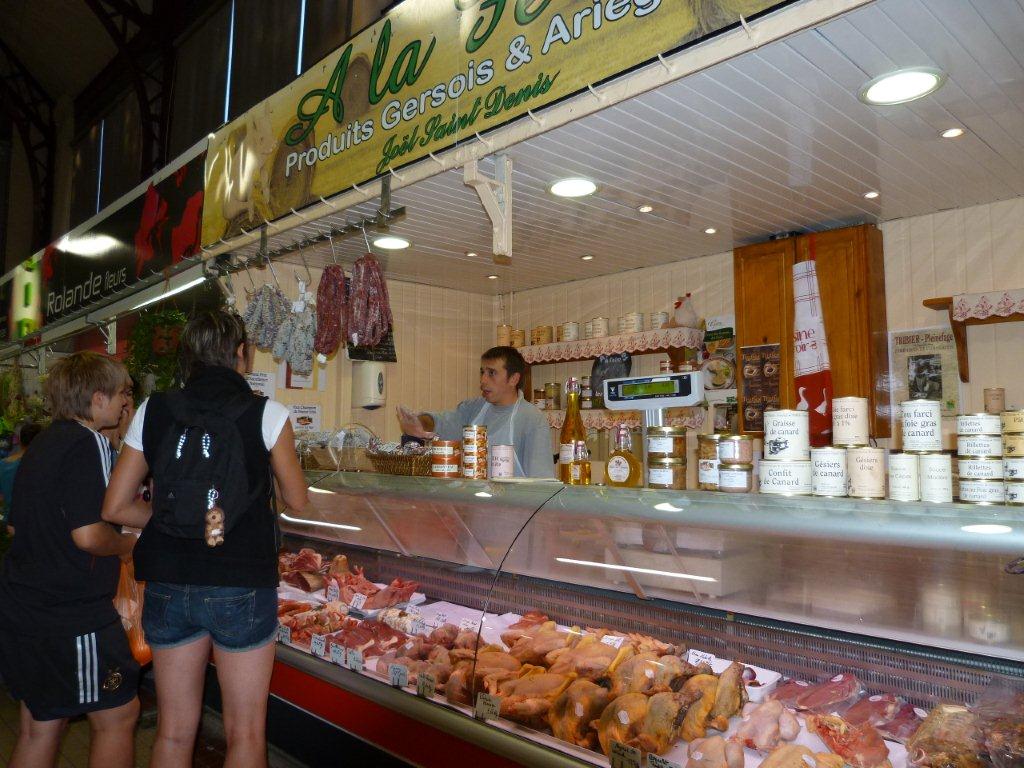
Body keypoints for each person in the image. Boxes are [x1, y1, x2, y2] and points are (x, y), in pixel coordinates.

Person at [102, 310, 308, 768]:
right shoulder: (268, 413)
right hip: (241, 582)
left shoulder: (151, 410)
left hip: (169, 581)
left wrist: (178, 516)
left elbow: (114, 507)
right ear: (241, 354)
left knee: (174, 734)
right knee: (246, 734)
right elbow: (297, 499)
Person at [0, 352, 139, 767]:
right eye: (121, 395)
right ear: (98, 399)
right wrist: (127, 545)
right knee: (119, 714)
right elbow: (90, 534)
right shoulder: (88, 443)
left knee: (39, 724)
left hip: (25, 605)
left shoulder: (43, 443)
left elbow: (14, 527)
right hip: (71, 614)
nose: (124, 405)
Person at [396, 345, 555, 478]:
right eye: (482, 372)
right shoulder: (473, 409)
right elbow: (442, 422)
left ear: (514, 379)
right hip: (475, 510)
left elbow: (541, 485)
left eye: (491, 373)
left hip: (513, 514)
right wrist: (420, 423)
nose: (483, 380)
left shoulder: (532, 419)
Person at [0, 421, 42, 534]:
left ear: (19, 440)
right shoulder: (39, 465)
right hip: (34, 524)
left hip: (9, 520)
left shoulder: (3, 464)